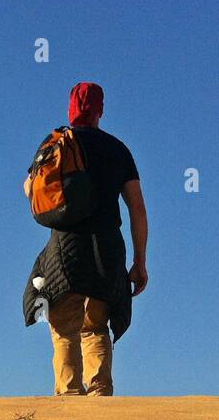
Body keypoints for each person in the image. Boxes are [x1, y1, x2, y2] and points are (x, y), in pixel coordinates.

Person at [22, 82, 148, 396]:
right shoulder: (118, 149)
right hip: (106, 252)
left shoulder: (57, 144)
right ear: (100, 110)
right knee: (95, 329)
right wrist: (140, 261)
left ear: (70, 108)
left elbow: (28, 189)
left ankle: (69, 406)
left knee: (65, 331)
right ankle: (99, 403)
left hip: (64, 251)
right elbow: (137, 209)